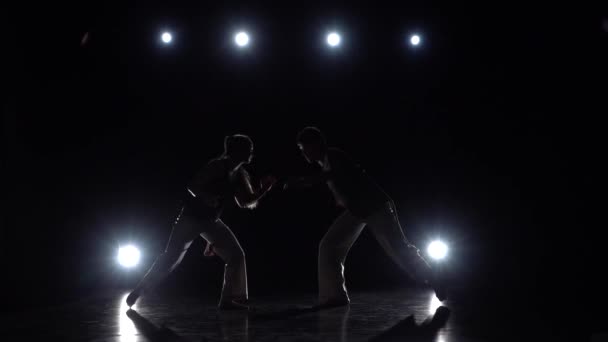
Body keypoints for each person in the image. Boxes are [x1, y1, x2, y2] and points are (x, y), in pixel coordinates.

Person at [287, 127, 446, 307]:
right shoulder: (326, 163)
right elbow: (345, 180)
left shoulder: (334, 155)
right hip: (359, 210)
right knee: (329, 244)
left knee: (398, 248)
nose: (304, 153)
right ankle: (335, 295)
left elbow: (340, 174)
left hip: (376, 206)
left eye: (304, 148)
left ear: (314, 144)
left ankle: (434, 278)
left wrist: (305, 181)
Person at [126, 134, 276, 310]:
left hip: (211, 221)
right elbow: (193, 186)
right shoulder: (217, 166)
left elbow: (245, 202)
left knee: (236, 255)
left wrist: (263, 190)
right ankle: (139, 290)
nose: (251, 152)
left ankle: (229, 300)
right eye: (248, 148)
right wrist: (206, 197)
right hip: (191, 218)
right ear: (238, 151)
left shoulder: (240, 174)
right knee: (171, 258)